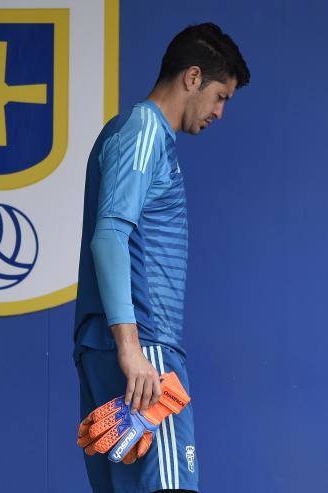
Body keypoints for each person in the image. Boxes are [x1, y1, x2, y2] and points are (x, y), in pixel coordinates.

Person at [73, 22, 250, 493]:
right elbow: (109, 237)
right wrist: (132, 349)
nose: (219, 112)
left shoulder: (132, 134)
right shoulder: (144, 129)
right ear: (192, 77)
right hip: (144, 348)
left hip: (115, 345)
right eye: (220, 96)